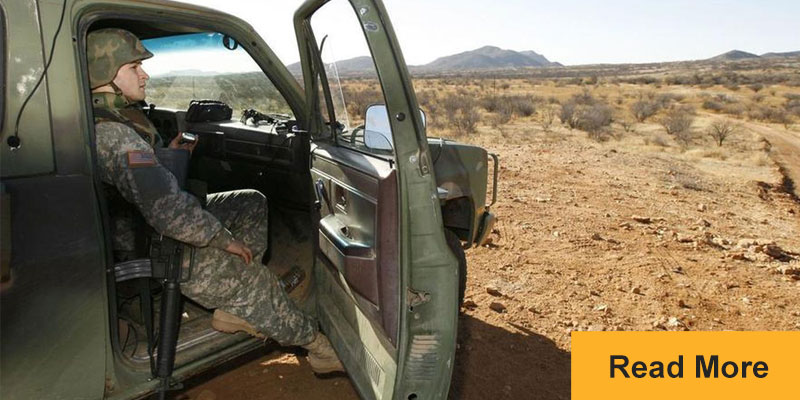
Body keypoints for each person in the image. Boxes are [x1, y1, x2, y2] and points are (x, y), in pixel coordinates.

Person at [87, 28, 343, 374]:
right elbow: (171, 214)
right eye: (134, 67)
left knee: (251, 201)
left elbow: (144, 187)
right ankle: (317, 346)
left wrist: (171, 156)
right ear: (106, 75)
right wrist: (224, 239)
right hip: (154, 243)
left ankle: (236, 306)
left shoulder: (112, 119)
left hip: (146, 225)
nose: (144, 74)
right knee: (257, 283)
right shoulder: (114, 135)